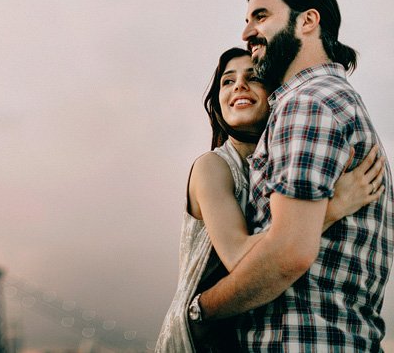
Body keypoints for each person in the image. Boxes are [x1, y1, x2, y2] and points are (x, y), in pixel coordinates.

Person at [190, 0, 393, 351]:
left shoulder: (306, 104)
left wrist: (202, 308)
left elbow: (288, 253)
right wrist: (331, 210)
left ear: (307, 21)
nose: (247, 32)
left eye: (261, 16)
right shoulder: (330, 100)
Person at [155, 47, 384, 352]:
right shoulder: (213, 166)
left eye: (253, 77)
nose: (238, 85)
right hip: (198, 338)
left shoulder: (277, 168)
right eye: (227, 81)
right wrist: (333, 207)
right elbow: (239, 258)